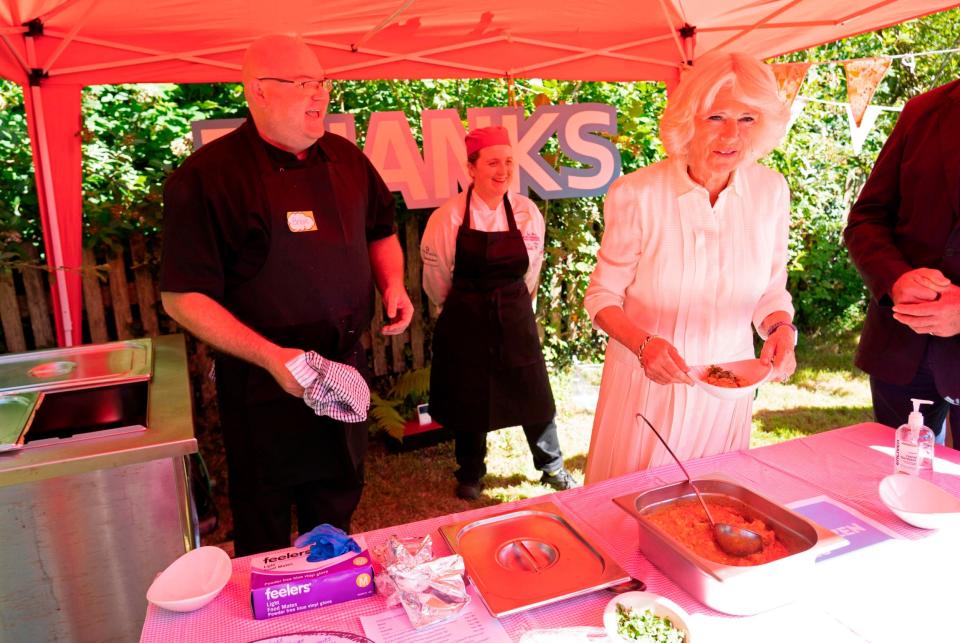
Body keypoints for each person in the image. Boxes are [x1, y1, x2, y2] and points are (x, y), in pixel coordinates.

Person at [159, 35, 413, 556]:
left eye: (321, 82)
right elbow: (182, 297)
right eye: (301, 84)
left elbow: (380, 230)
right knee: (264, 521)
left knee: (338, 504)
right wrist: (274, 358)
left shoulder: (346, 158)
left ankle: (332, 605)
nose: (318, 95)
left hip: (342, 370)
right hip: (262, 384)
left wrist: (393, 283)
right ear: (258, 92)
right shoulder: (208, 178)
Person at [583, 52, 797, 483]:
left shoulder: (771, 191)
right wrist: (645, 345)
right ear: (688, 120)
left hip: (729, 390)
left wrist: (781, 330)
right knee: (627, 513)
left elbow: (771, 291)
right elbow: (601, 297)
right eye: (715, 116)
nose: (731, 134)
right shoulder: (637, 193)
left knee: (712, 507)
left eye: (747, 118)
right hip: (647, 387)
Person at [420, 126, 577, 500]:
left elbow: (532, 269)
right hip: (466, 318)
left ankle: (552, 465)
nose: (502, 170)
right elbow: (437, 275)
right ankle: (471, 471)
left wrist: (518, 307)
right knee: (469, 392)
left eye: (509, 162)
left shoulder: (525, 212)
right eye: (492, 162)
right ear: (471, 168)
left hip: (514, 314)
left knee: (533, 389)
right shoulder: (449, 217)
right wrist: (459, 308)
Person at [844, 79, 960, 445]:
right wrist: (895, 279)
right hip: (901, 350)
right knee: (896, 487)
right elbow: (866, 219)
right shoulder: (923, 110)